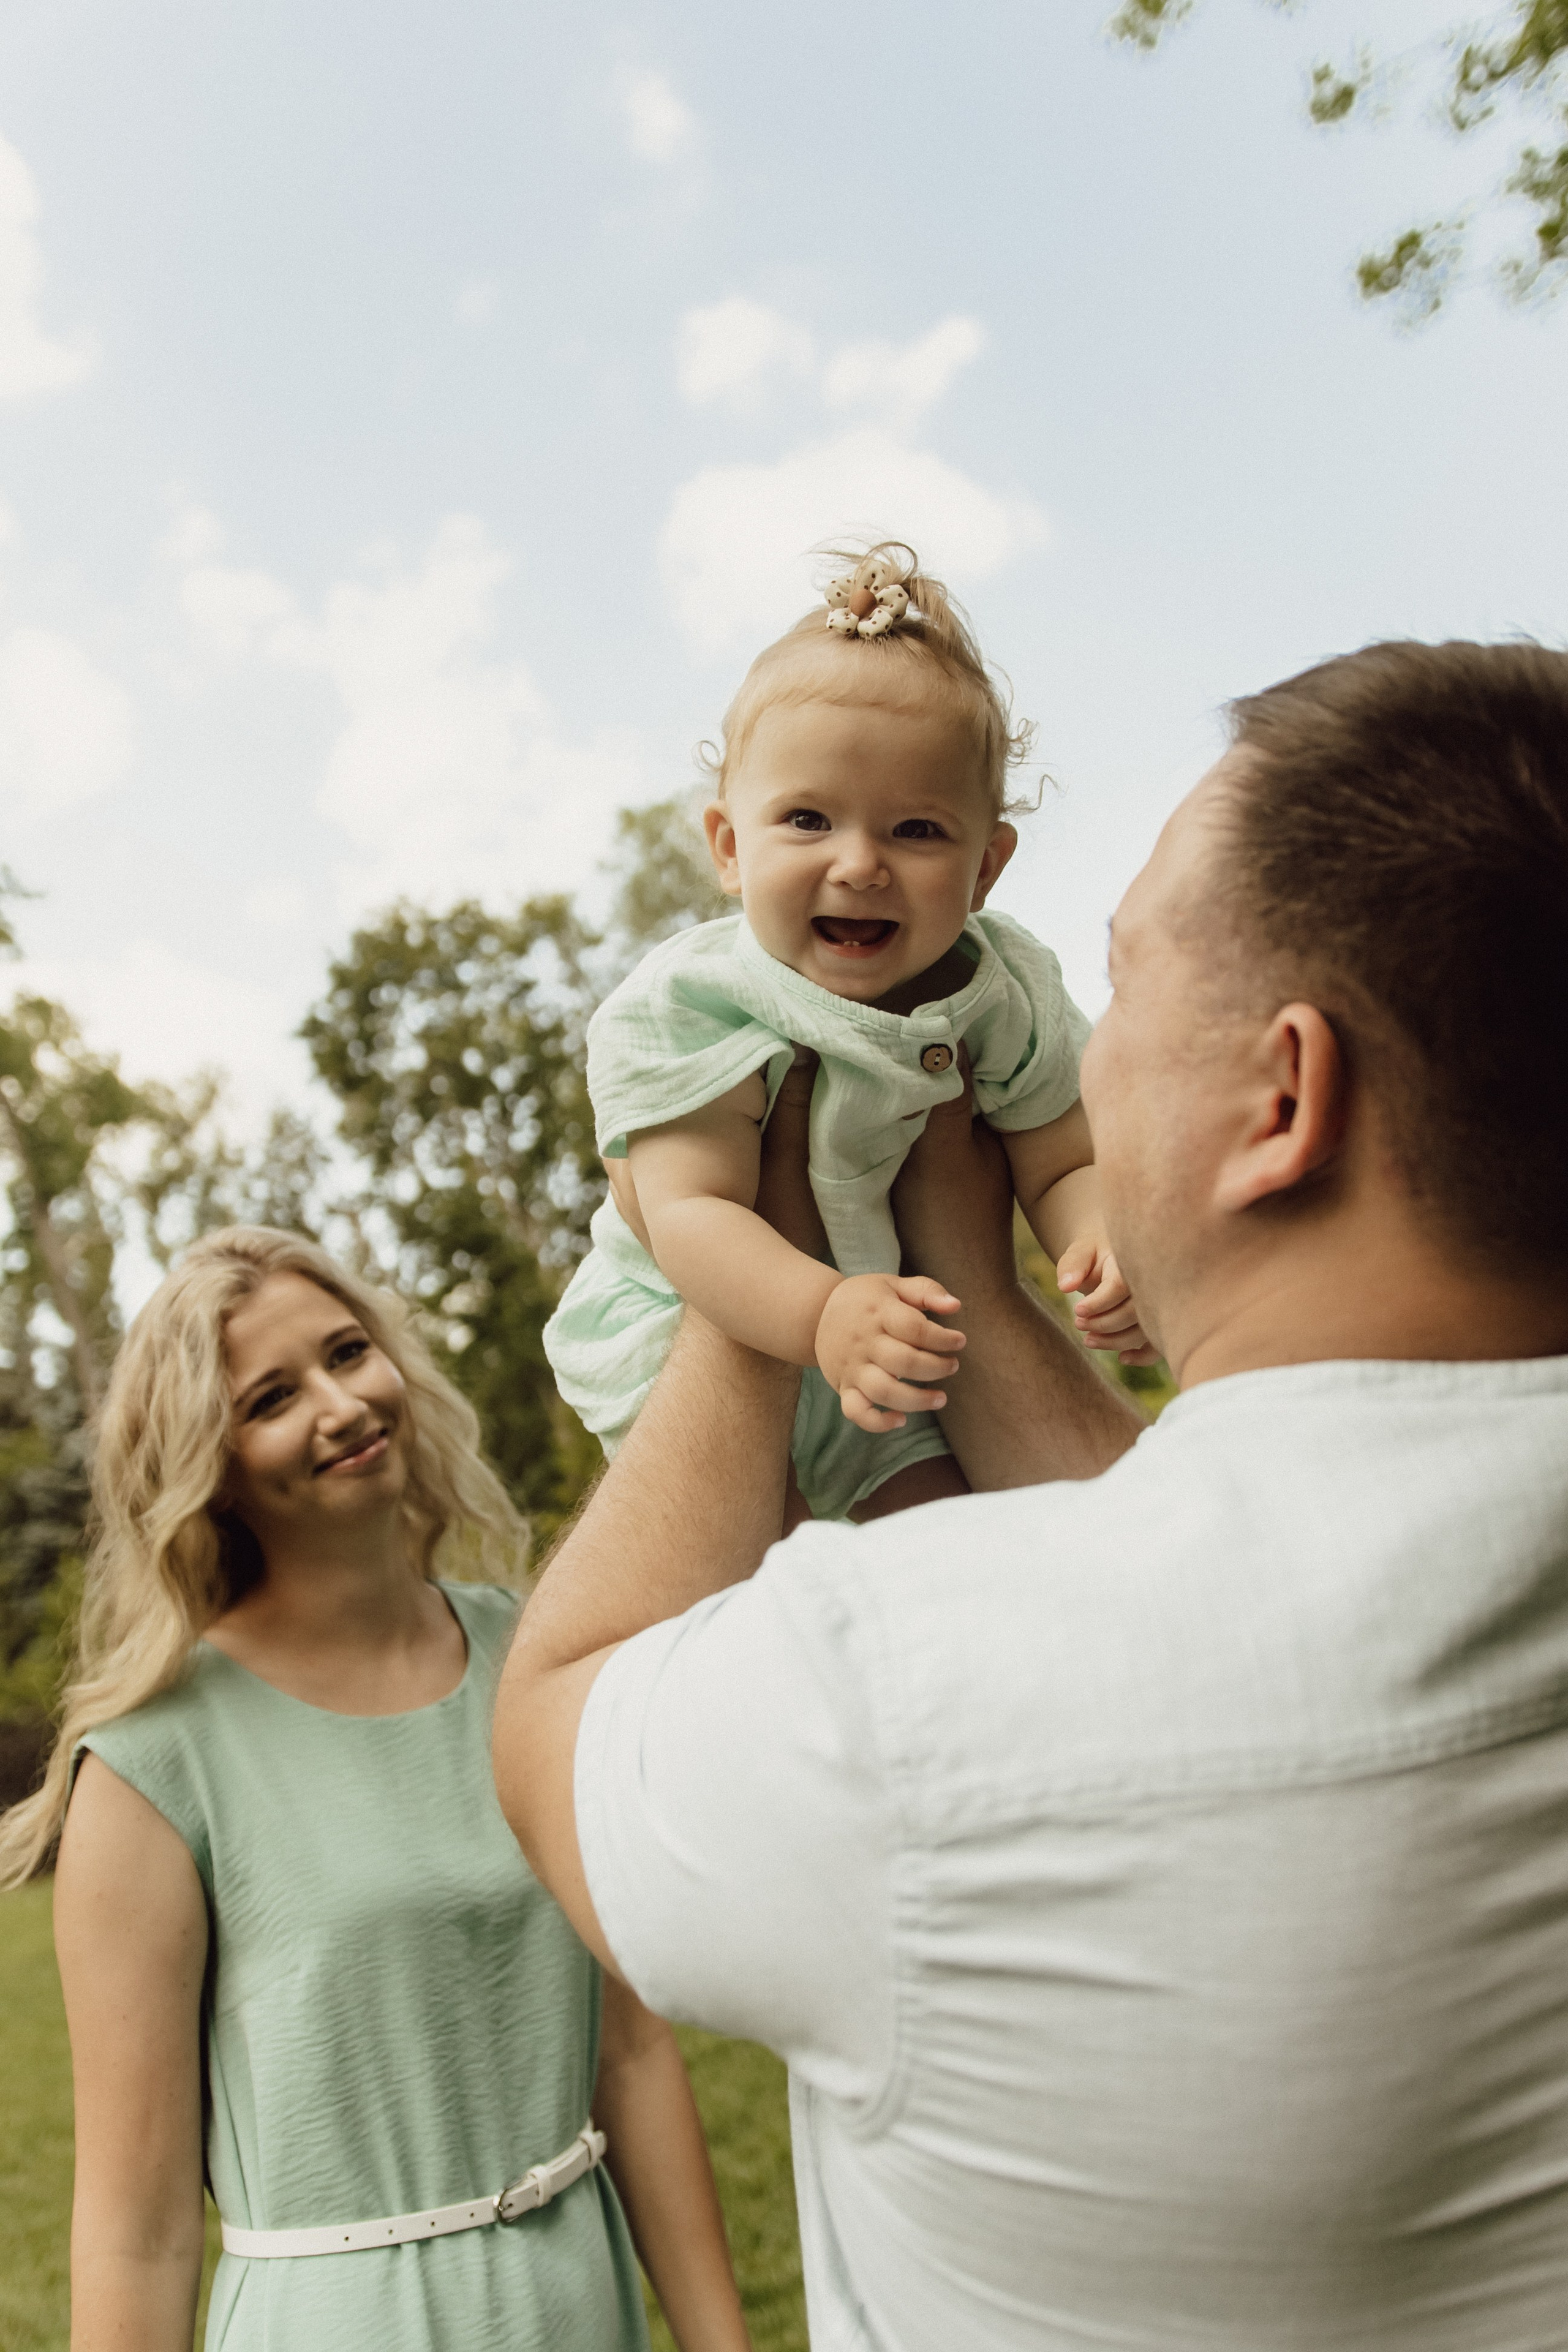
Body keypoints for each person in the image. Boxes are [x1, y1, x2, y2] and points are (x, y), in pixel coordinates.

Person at [494, 641, 1568, 2349]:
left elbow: (557, 1722)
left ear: (1281, 1099)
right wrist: (974, 1297)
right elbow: (1204, 1576)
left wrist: (794, 1288)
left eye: (1125, 984)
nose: (1075, 1056)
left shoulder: (896, 1693)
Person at [0, 1228, 751, 2352]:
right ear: (210, 1464)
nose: (342, 1405)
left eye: (348, 1352)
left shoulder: (536, 1663)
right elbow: (136, 2233)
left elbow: (632, 2059)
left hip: (582, 2309)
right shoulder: (152, 1765)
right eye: (271, 1399)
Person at [544, 541, 1148, 1530]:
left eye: (917, 831)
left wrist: (1098, 1241)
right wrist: (818, 1313)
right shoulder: (700, 1001)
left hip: (899, 1336)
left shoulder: (1006, 990)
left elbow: (1061, 1157)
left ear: (986, 868)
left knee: (943, 1552)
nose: (860, 864)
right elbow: (689, 1212)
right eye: (808, 820)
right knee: (762, 1572)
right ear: (730, 849)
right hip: (706, 1326)